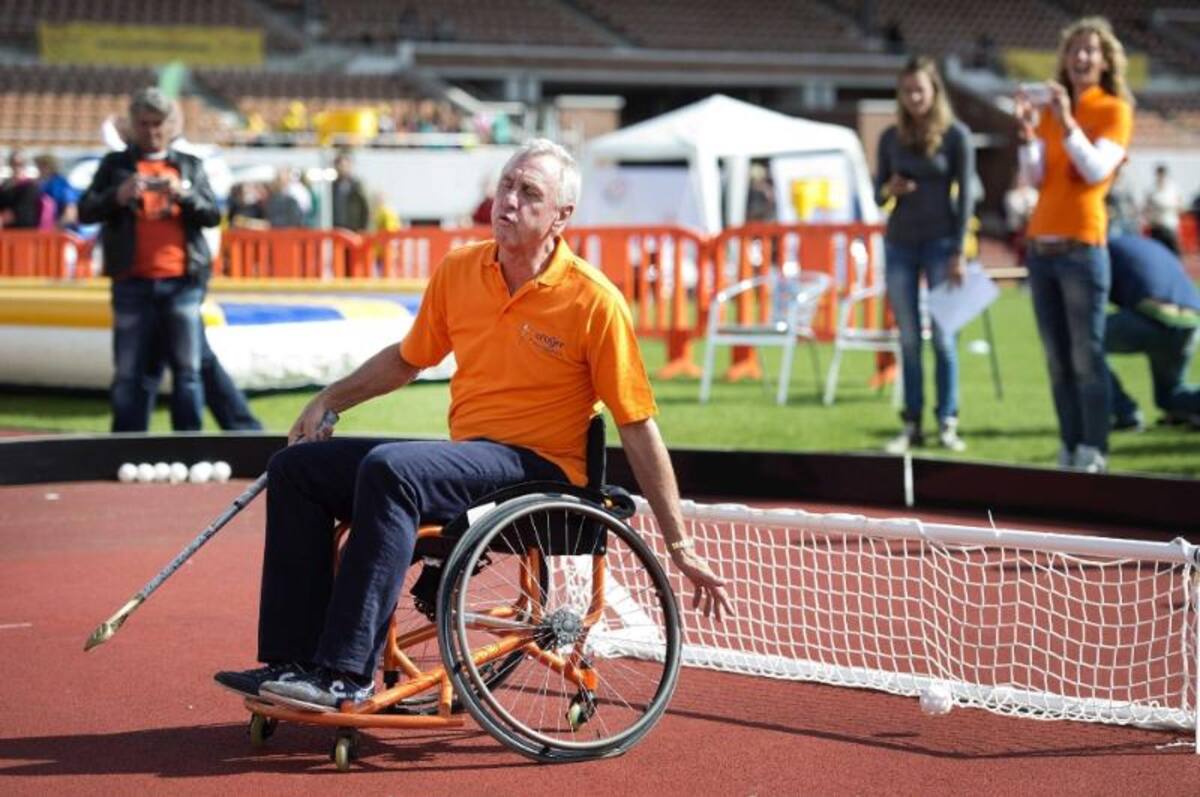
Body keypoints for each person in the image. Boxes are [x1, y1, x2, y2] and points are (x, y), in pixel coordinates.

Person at [213, 139, 730, 708]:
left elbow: (637, 424)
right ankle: (294, 661)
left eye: (529, 192)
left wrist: (679, 543)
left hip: (542, 473)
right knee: (298, 469)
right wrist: (329, 400)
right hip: (474, 459)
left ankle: (345, 676)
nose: (508, 200)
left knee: (393, 470)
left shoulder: (593, 301)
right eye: (506, 185)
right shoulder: (461, 269)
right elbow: (409, 358)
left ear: (562, 215)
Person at [1015, 16, 1133, 473]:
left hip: (1083, 246)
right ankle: (1069, 447)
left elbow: (1095, 170)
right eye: (1074, 50)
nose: (1081, 58)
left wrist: (1065, 121)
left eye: (1090, 50)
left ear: (1105, 61)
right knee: (1057, 361)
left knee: (1087, 358)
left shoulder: (1113, 109)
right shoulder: (1049, 113)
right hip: (1041, 248)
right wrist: (1028, 132)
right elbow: (1034, 179)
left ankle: (1093, 449)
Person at [78, 87, 222, 432]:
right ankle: (125, 446)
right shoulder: (115, 165)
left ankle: (189, 447)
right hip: (132, 280)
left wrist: (183, 195)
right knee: (128, 372)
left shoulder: (190, 164)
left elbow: (212, 215)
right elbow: (85, 211)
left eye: (158, 123)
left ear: (170, 124)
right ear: (132, 125)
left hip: (181, 281)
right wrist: (119, 194)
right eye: (144, 123)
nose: (152, 131)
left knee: (188, 371)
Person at [875, 55, 975, 454]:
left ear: (934, 92)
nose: (914, 97)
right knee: (910, 339)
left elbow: (967, 194)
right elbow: (875, 190)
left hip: (942, 243)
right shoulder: (889, 137)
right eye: (907, 90)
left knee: (944, 339)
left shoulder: (956, 136)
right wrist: (889, 189)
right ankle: (912, 423)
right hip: (900, 242)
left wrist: (960, 250)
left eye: (921, 89)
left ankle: (947, 421)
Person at [1104, 234, 1200, 431]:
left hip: (1153, 315)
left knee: (1081, 343)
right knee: (1170, 396)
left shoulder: (1101, 250)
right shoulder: (1148, 244)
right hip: (1191, 320)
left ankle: (1125, 413)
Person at [0, 149, 49, 229]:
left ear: (25, 164)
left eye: (20, 163)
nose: (17, 167)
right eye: (14, 163)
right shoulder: (5, 187)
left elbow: (24, 214)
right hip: (7, 234)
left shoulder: (30, 187)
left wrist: (4, 218)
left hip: (25, 234)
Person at [1143, 164, 1182, 254]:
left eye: (1162, 174)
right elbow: (1146, 208)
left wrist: (1167, 208)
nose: (1160, 177)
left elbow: (1180, 206)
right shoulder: (1151, 190)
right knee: (1157, 252)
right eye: (1158, 174)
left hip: (1169, 225)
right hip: (1156, 226)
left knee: (1173, 252)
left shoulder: (1173, 189)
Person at [34, 153, 80, 231]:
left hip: (60, 233)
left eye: (42, 166)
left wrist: (56, 227)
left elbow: (71, 212)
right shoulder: (40, 184)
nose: (39, 169)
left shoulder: (60, 184)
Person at [331, 149, 369, 231]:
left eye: (345, 165)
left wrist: (363, 228)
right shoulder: (332, 186)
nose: (342, 168)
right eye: (340, 165)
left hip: (353, 229)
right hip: (336, 228)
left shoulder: (357, 185)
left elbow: (365, 208)